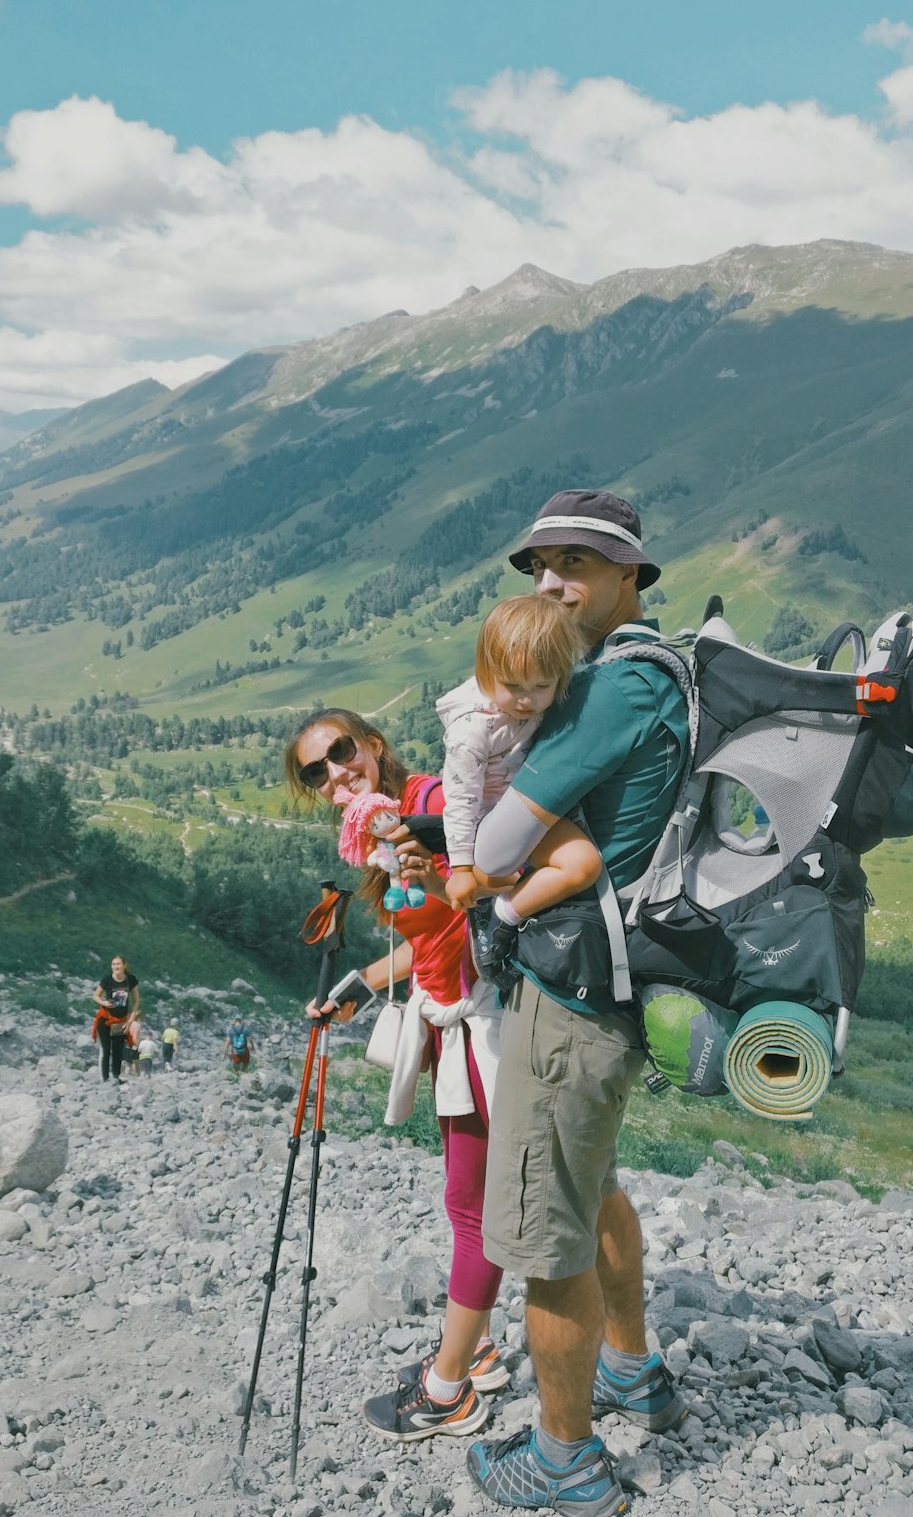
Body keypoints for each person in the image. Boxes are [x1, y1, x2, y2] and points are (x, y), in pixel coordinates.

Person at [463, 489, 691, 1516]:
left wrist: (469, 849)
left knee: (545, 1234)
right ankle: (632, 1369)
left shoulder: (611, 688)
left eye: (577, 564)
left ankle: (566, 1462)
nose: (552, 582)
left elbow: (503, 847)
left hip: (571, 995)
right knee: (592, 1187)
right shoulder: (651, 671)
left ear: (631, 573)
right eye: (540, 565)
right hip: (617, 984)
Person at [284, 708, 508, 1442]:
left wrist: (424, 868)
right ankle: (474, 1347)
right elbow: (431, 939)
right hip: (451, 1024)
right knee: (466, 1200)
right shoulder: (380, 831)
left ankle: (449, 1392)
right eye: (316, 772)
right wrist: (357, 985)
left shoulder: (435, 807)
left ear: (373, 746)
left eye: (340, 752)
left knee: (473, 1208)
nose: (334, 773)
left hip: (486, 1025)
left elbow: (489, 905)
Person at [437, 593, 600, 917]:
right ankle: (507, 917)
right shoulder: (471, 731)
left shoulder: (532, 690)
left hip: (526, 803)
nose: (526, 701)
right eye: (513, 686)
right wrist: (462, 868)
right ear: (486, 673)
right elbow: (460, 797)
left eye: (541, 686)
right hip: (494, 817)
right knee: (583, 864)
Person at [91, 954, 139, 1083]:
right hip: (105, 1018)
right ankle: (104, 1078)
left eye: (118, 964)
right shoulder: (107, 980)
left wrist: (130, 1021)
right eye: (113, 964)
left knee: (118, 1050)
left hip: (122, 1019)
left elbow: (135, 1001)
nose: (116, 966)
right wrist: (104, 1003)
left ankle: (116, 1077)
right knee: (106, 1050)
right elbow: (95, 996)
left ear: (124, 965)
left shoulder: (130, 980)